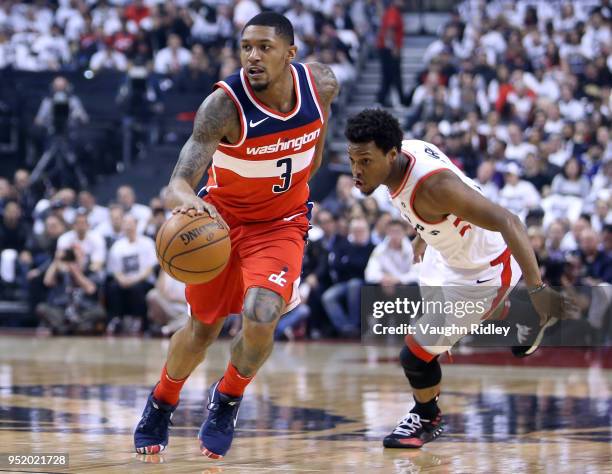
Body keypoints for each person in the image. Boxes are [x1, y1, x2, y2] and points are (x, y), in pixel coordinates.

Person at [134, 12, 338, 458]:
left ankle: (226, 400)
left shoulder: (320, 85)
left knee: (263, 314)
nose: (253, 56)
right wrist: (193, 201)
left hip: (281, 225)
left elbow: (317, 148)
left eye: (264, 47)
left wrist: (297, 188)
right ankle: (162, 401)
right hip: (221, 225)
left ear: (291, 52)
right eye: (246, 47)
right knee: (202, 331)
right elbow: (178, 182)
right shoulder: (223, 106)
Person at [344, 108, 575, 449]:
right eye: (352, 160)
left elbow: (510, 220)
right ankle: (519, 315)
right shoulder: (408, 152)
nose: (356, 171)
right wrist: (425, 232)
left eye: (364, 161)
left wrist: (537, 287)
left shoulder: (433, 188)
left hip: (483, 272)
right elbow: (465, 187)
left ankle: (427, 417)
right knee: (447, 332)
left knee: (414, 354)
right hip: (448, 254)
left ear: (391, 154)